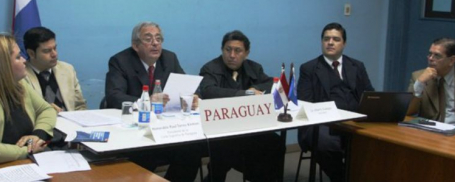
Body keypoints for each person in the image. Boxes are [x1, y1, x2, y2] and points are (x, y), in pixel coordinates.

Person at [105, 21, 200, 182]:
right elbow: (113, 96)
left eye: (158, 39)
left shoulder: (169, 58)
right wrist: (146, 101)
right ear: (136, 45)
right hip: (136, 132)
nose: (155, 43)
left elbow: (187, 84)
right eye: (148, 39)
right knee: (146, 156)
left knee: (192, 152)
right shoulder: (120, 61)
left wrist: (191, 97)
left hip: (166, 129)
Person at [199, 30, 284, 182]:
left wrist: (257, 90)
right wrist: (245, 94)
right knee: (226, 150)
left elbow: (271, 82)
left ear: (246, 53)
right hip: (220, 129)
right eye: (228, 49)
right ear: (222, 50)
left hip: (250, 127)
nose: (232, 55)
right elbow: (208, 91)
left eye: (238, 51)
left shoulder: (254, 68)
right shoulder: (210, 68)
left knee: (275, 143)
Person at [297, 22, 374, 182]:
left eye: (336, 39)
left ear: (344, 43)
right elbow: (304, 103)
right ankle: (343, 177)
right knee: (326, 144)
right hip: (321, 123)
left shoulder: (357, 66)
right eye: (326, 39)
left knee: (377, 140)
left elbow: (369, 95)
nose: (330, 42)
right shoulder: (309, 68)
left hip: (353, 121)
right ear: (322, 42)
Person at [0, 34, 56, 166]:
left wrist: (38, 134)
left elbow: (46, 109)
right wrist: (28, 150)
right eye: (18, 57)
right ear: (2, 65)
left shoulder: (19, 85)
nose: (25, 60)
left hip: (25, 163)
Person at [23, 27, 87, 112]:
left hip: (70, 123)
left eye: (55, 48)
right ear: (31, 53)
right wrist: (44, 111)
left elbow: (80, 106)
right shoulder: (20, 76)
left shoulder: (67, 70)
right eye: (47, 51)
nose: (54, 54)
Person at [407, 38, 455, 125]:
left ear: (451, 60)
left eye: (437, 56)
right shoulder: (418, 76)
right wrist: (420, 84)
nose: (431, 58)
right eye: (430, 54)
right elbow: (408, 111)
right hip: (429, 130)